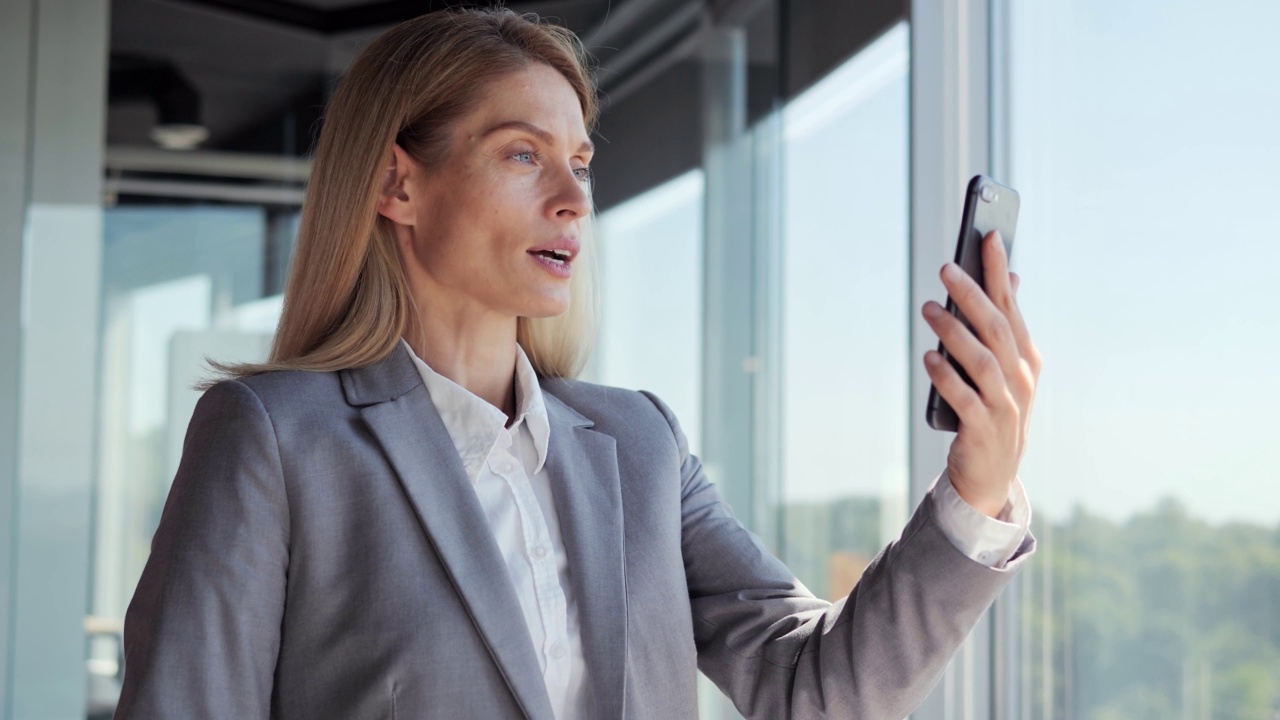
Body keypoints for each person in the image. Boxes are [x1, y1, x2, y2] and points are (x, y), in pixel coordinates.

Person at [113, 8, 1041, 720]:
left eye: (582, 162)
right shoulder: (277, 438)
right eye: (523, 154)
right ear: (399, 183)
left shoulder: (639, 442)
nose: (571, 199)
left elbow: (816, 687)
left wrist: (977, 489)